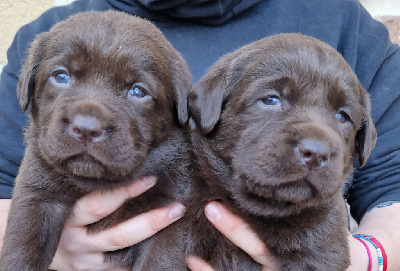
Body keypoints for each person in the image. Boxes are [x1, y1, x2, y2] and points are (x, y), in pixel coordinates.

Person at [0, 0, 399, 270]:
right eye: (272, 99)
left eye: (138, 91)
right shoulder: (49, 33)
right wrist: (53, 254)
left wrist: (368, 257)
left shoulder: (345, 20)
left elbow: (392, 188)